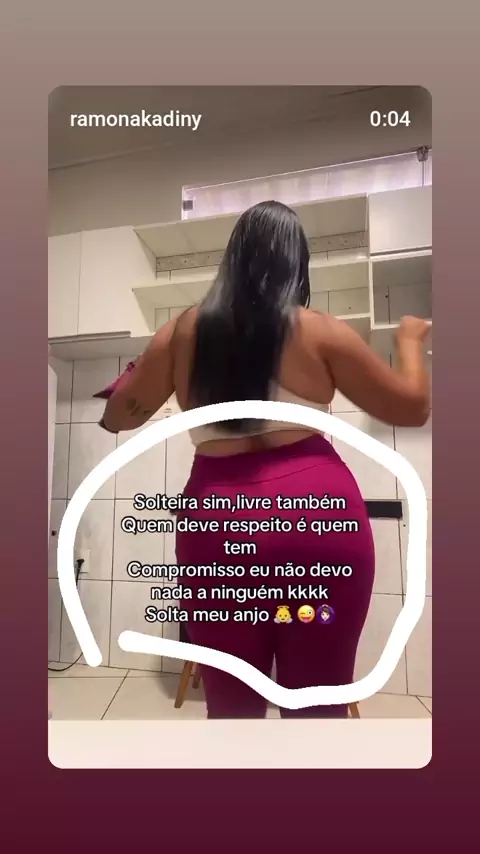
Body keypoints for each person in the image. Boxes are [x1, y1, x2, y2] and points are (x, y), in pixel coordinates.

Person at [100, 200, 431, 719]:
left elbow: (117, 417)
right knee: (317, 705)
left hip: (218, 528)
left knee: (232, 710)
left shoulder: (182, 331)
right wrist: (409, 340)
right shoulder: (321, 330)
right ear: (297, 264)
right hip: (318, 522)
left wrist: (142, 367)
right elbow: (411, 407)